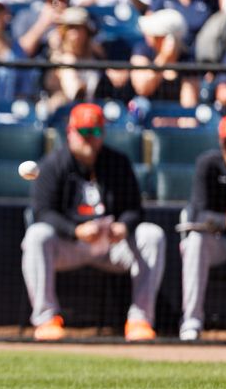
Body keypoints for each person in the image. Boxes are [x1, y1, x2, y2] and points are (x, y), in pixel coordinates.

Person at [21, 103, 166, 342]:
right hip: (70, 245)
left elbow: (134, 209)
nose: (89, 138)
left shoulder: (117, 162)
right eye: (83, 132)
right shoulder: (53, 164)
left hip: (110, 245)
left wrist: (124, 227)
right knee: (37, 235)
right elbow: (43, 212)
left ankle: (140, 319)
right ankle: (46, 319)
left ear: (103, 133)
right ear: (70, 132)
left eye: (95, 132)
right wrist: (75, 230)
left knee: (152, 235)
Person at [179, 114, 226, 341]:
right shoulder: (208, 164)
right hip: (217, 239)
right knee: (195, 241)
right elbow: (197, 211)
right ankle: (191, 320)